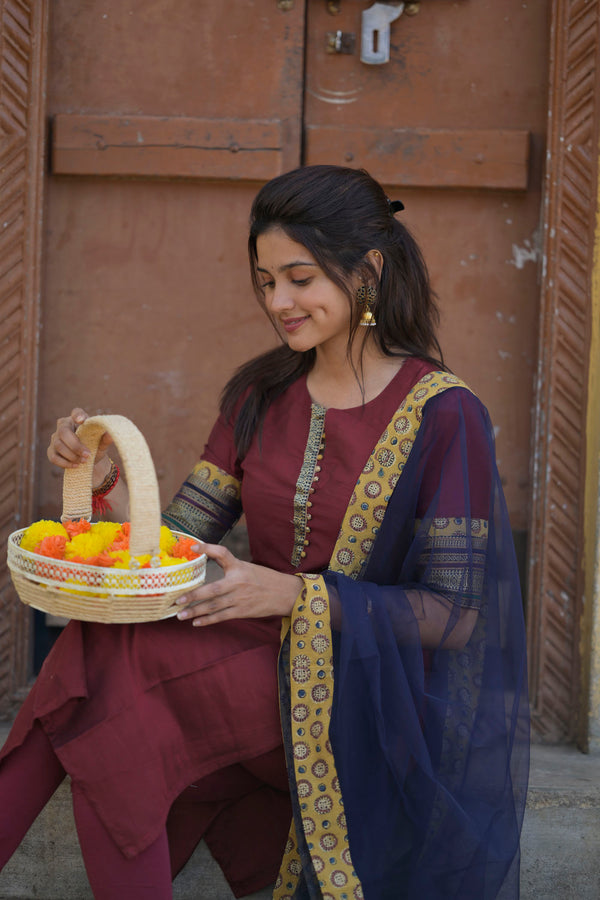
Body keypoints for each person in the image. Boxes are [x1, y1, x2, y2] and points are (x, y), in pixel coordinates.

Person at [0, 165, 529, 899]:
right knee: (109, 662)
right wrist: (107, 487)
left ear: (368, 271)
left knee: (111, 669)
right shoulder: (260, 392)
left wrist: (294, 596)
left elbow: (456, 616)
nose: (279, 301)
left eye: (300, 278)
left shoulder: (445, 413)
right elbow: (179, 540)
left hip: (364, 696)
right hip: (250, 661)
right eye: (266, 281)